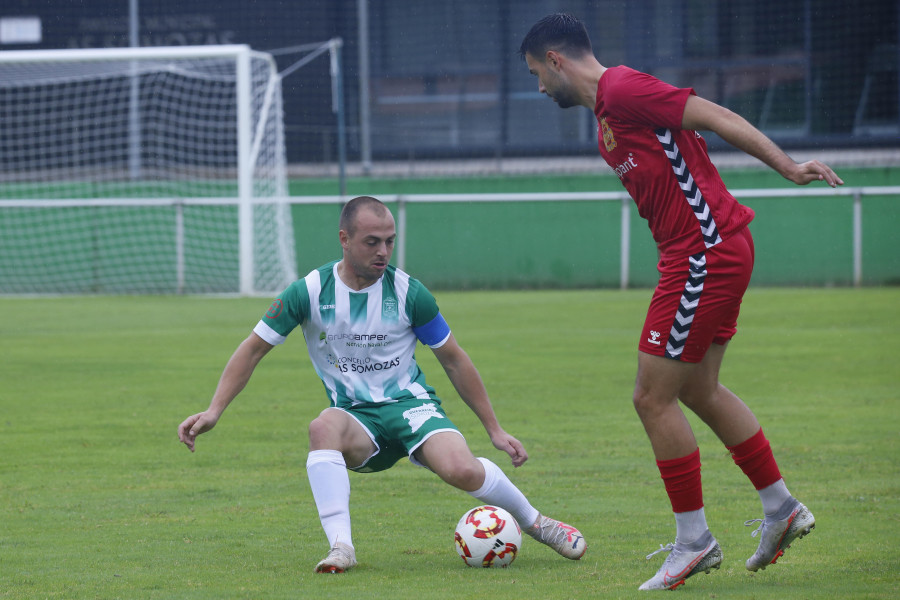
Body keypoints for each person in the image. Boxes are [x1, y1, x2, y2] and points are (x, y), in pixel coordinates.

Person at [518, 13, 843, 591]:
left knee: (651, 397)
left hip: (703, 253)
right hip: (708, 251)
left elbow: (715, 116)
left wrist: (789, 168)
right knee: (697, 389)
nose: (539, 87)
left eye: (537, 73)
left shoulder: (624, 88)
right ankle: (781, 508)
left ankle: (694, 541)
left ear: (556, 60)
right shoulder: (605, 116)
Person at [177, 195, 586, 573]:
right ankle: (341, 547)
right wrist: (214, 410)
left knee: (462, 470)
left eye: (390, 241)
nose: (383, 252)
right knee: (322, 426)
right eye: (372, 241)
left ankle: (538, 523)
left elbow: (454, 359)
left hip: (412, 407)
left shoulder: (410, 292)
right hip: (356, 419)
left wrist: (494, 429)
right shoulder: (309, 291)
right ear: (344, 239)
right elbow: (252, 349)